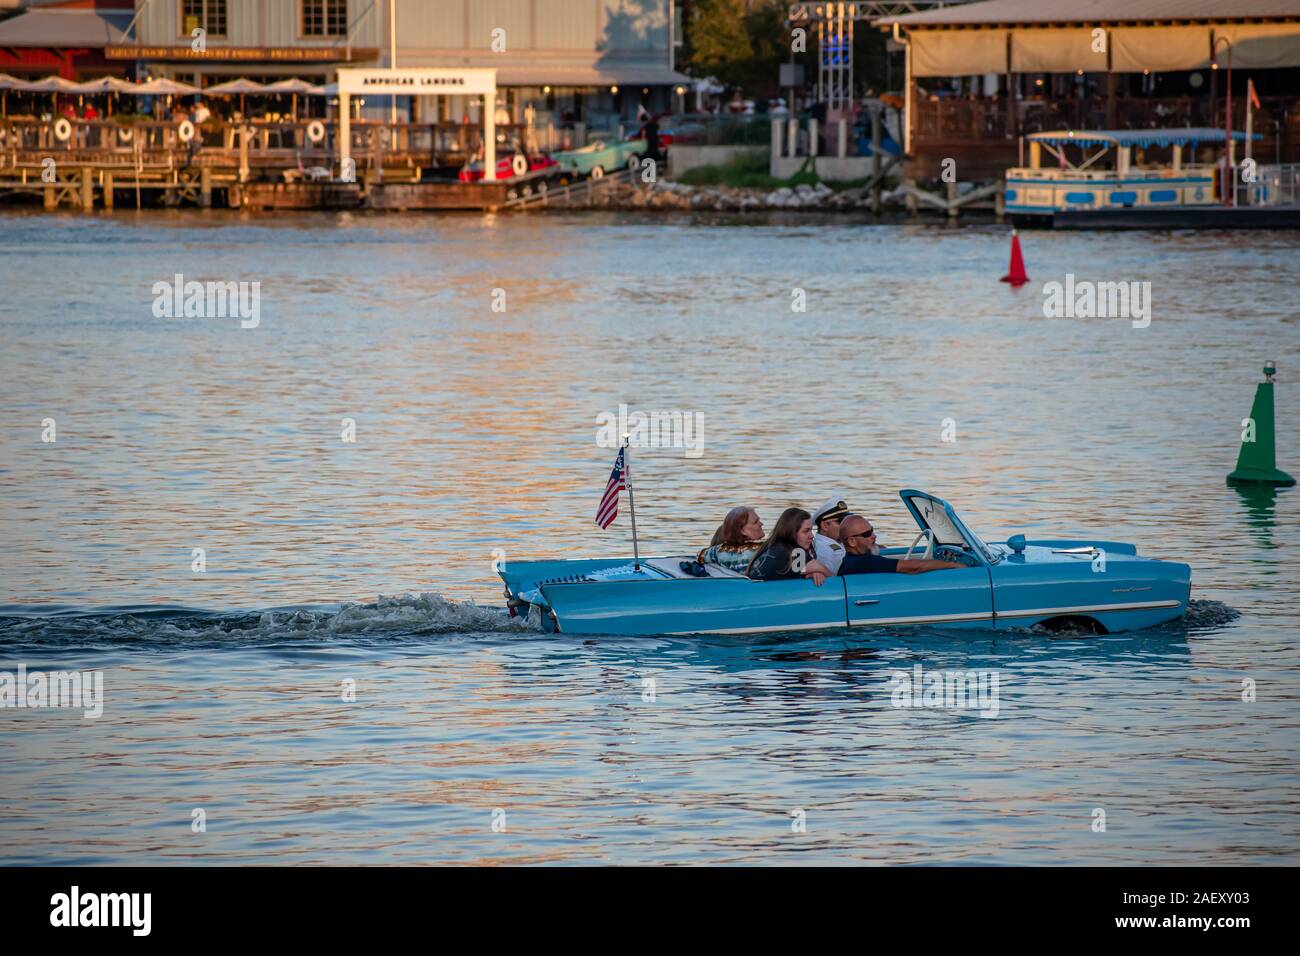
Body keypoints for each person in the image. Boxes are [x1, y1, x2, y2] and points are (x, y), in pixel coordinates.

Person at [837, 513, 962, 575]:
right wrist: (951, 564)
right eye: (867, 534)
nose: (874, 536)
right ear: (852, 541)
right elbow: (914, 567)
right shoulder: (864, 562)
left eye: (872, 530)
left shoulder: (853, 561)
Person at [747, 507, 832, 586]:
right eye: (806, 531)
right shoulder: (791, 552)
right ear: (791, 532)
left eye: (811, 530)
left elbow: (802, 570)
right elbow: (823, 571)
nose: (811, 536)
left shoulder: (774, 546)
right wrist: (819, 571)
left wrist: (814, 573)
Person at [698, 506, 765, 572]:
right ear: (742, 531)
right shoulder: (762, 550)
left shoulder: (716, 552)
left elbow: (700, 555)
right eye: (756, 522)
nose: (761, 524)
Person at [810, 496, 850, 574]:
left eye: (846, 520)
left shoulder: (819, 543)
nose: (846, 525)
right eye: (841, 522)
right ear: (825, 525)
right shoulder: (833, 553)